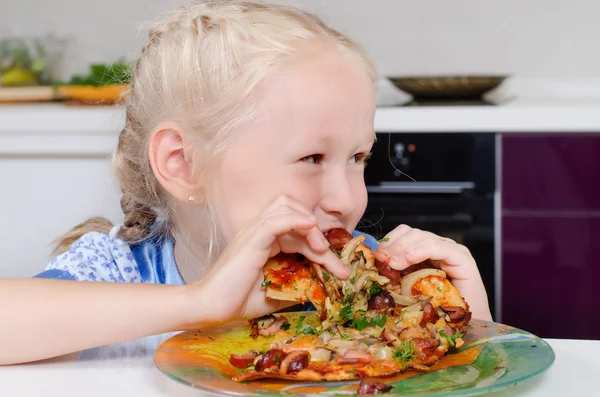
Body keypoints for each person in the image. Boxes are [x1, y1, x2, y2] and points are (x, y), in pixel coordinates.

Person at [0, 0, 491, 366]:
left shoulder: (359, 285)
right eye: (311, 157)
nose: (346, 199)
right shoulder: (116, 272)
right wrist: (201, 303)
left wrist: (473, 327)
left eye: (358, 157)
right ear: (183, 164)